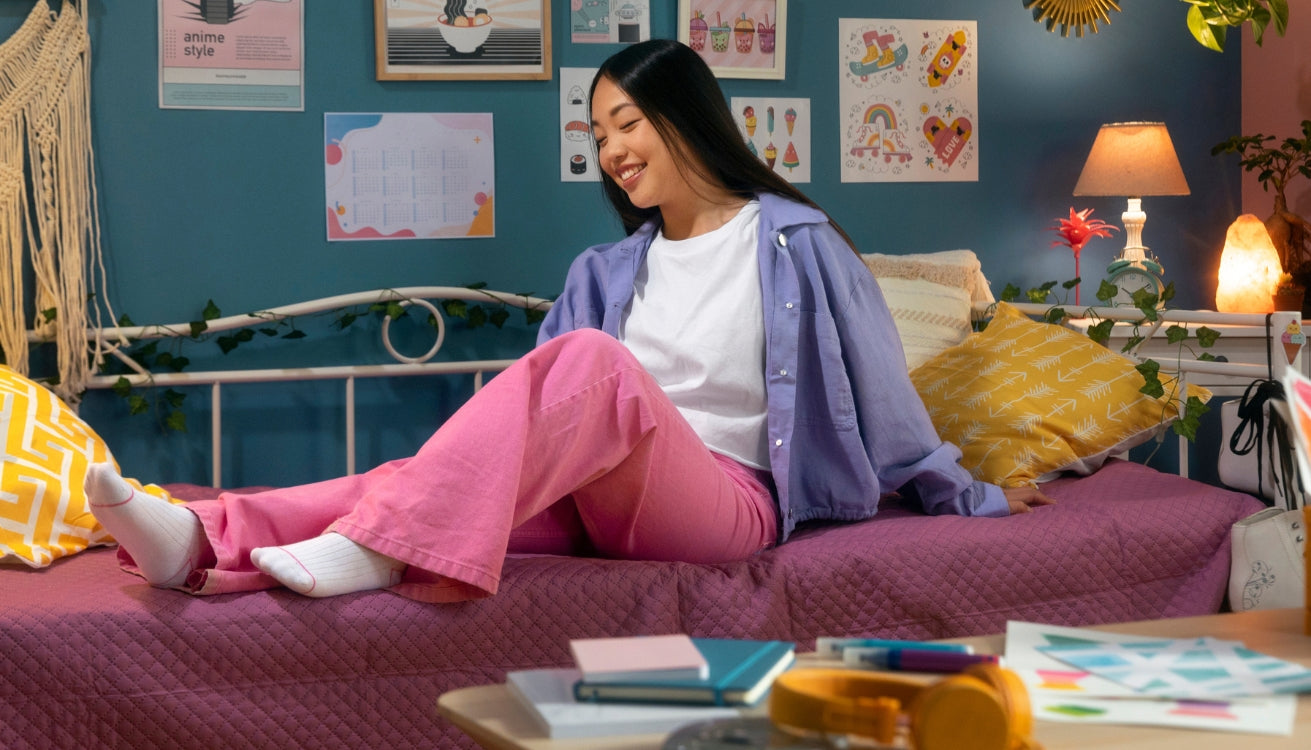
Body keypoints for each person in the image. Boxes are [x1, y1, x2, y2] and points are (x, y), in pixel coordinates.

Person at [86, 39, 1052, 602]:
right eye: (599, 134)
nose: (613, 150)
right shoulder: (607, 268)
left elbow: (884, 399)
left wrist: (968, 494)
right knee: (419, 475)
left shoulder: (798, 245)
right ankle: (200, 540)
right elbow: (535, 417)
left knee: (591, 362)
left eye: (627, 122)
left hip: (726, 506)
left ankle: (380, 547)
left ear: (689, 116)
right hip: (604, 495)